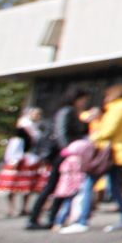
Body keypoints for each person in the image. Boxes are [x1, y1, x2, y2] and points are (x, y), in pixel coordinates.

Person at [28, 91, 87, 230]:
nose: (85, 102)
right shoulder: (68, 111)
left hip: (63, 152)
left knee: (56, 186)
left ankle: (49, 218)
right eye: (83, 99)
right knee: (54, 186)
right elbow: (62, 132)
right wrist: (69, 151)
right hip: (62, 154)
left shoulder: (69, 111)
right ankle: (40, 218)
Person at [91, 84, 122, 231]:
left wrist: (93, 137)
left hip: (109, 152)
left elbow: (109, 130)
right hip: (121, 152)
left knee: (89, 183)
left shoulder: (117, 108)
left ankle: (81, 219)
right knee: (115, 187)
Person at [51, 122, 98, 234]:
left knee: (68, 200)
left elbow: (64, 152)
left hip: (70, 175)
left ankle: (59, 222)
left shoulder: (76, 144)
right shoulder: (90, 144)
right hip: (82, 173)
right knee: (79, 198)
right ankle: (75, 219)